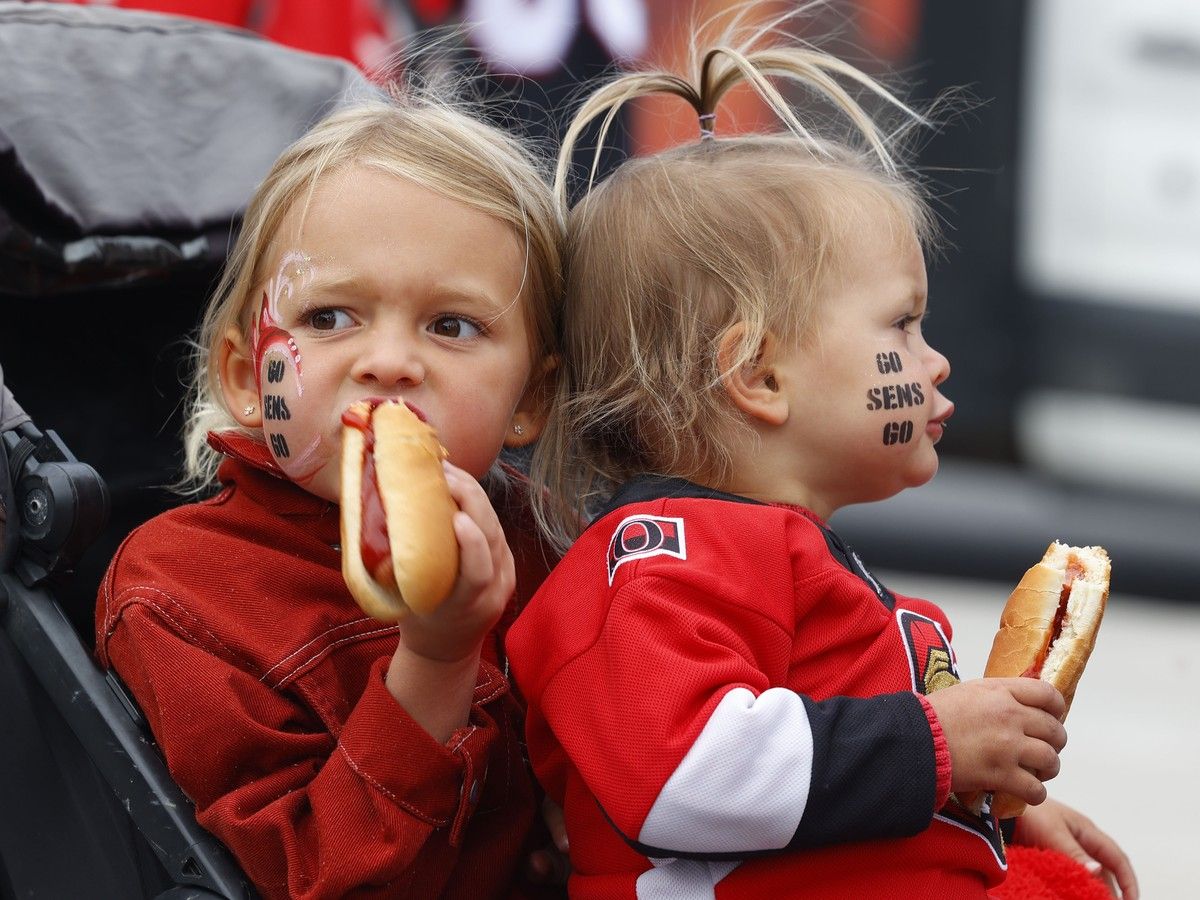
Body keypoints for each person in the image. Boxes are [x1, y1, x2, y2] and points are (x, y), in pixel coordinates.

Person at [506, 19, 1138, 900]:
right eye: (902, 326)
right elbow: (688, 772)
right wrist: (936, 743)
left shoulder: (768, 552)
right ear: (758, 374)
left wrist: (984, 803)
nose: (935, 361)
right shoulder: (658, 559)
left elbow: (831, 775)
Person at [96, 92, 567, 899]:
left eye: (451, 326)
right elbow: (312, 878)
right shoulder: (178, 588)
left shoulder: (546, 541)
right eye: (331, 316)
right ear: (249, 376)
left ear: (531, 397)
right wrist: (437, 658)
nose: (389, 362)